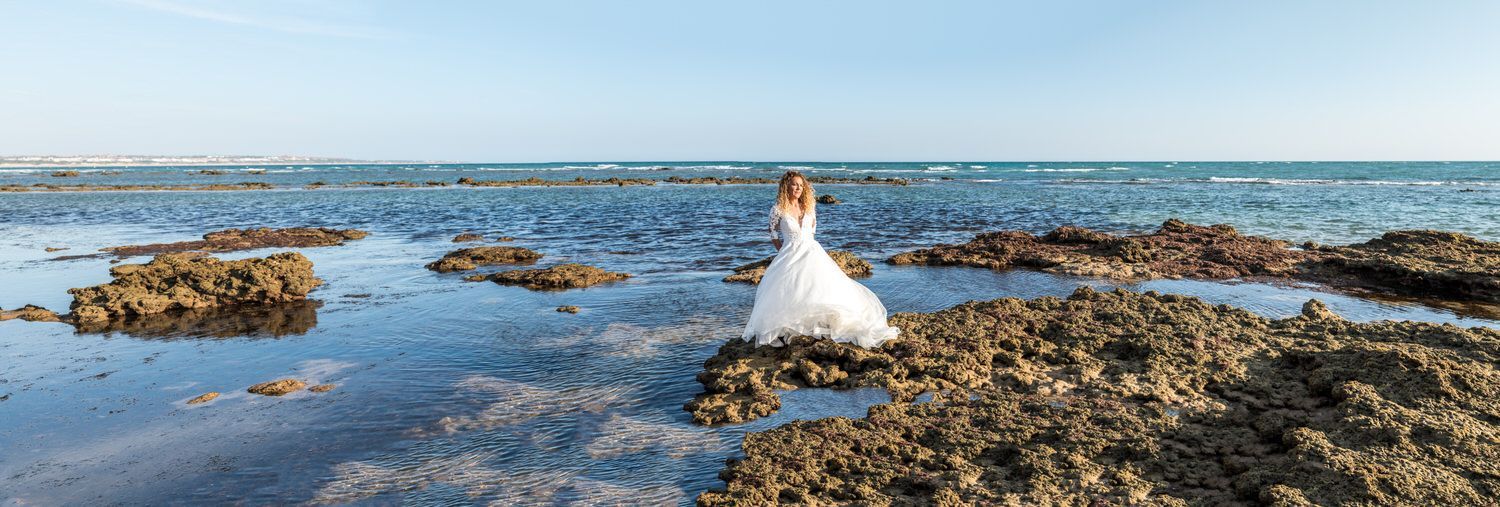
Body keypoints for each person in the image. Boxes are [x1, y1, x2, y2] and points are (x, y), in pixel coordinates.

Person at [741, 171, 899, 348]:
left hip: (812, 252)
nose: (798, 188)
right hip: (789, 254)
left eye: (801, 185)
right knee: (791, 291)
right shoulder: (778, 209)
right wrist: (783, 251)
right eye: (794, 184)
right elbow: (773, 234)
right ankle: (788, 328)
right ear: (786, 186)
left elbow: (811, 233)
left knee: (818, 289)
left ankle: (817, 326)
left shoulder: (809, 207)